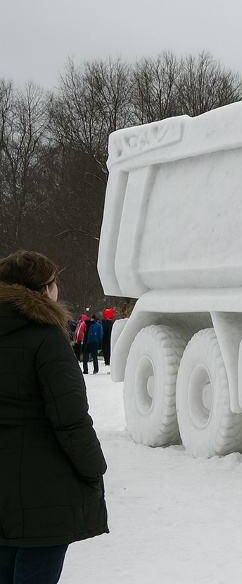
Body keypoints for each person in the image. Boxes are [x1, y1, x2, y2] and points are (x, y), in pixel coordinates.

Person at [0, 250, 108, 584]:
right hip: (44, 493)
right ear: (45, 290)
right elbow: (70, 418)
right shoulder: (47, 339)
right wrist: (94, 468)